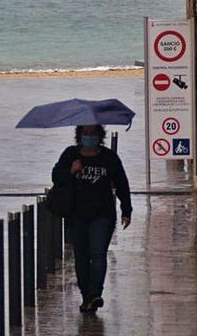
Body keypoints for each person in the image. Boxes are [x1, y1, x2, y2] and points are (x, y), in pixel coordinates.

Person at [52, 124, 132, 314]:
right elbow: (56, 177)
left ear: (100, 135)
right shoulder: (70, 154)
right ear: (79, 135)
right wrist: (71, 170)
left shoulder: (109, 157)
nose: (89, 136)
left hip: (102, 215)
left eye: (93, 133)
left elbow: (122, 183)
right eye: (85, 133)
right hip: (76, 215)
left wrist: (126, 210)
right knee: (81, 257)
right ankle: (86, 296)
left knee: (97, 253)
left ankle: (95, 293)